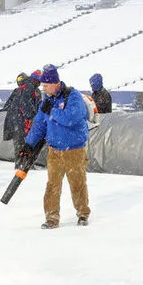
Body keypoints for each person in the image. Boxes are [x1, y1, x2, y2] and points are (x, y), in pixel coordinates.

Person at [22, 64, 90, 229]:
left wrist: (52, 110)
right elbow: (39, 124)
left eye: (45, 85)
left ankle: (83, 213)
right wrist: (29, 144)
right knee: (52, 185)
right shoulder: (47, 101)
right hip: (54, 150)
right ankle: (51, 218)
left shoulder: (73, 97)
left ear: (55, 83)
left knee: (77, 183)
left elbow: (71, 118)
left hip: (74, 149)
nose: (43, 88)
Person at [1, 72, 41, 162]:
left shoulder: (25, 88)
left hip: (17, 121)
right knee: (22, 143)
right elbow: (24, 103)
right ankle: (22, 164)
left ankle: (22, 163)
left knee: (21, 143)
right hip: (20, 121)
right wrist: (32, 117)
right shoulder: (29, 87)